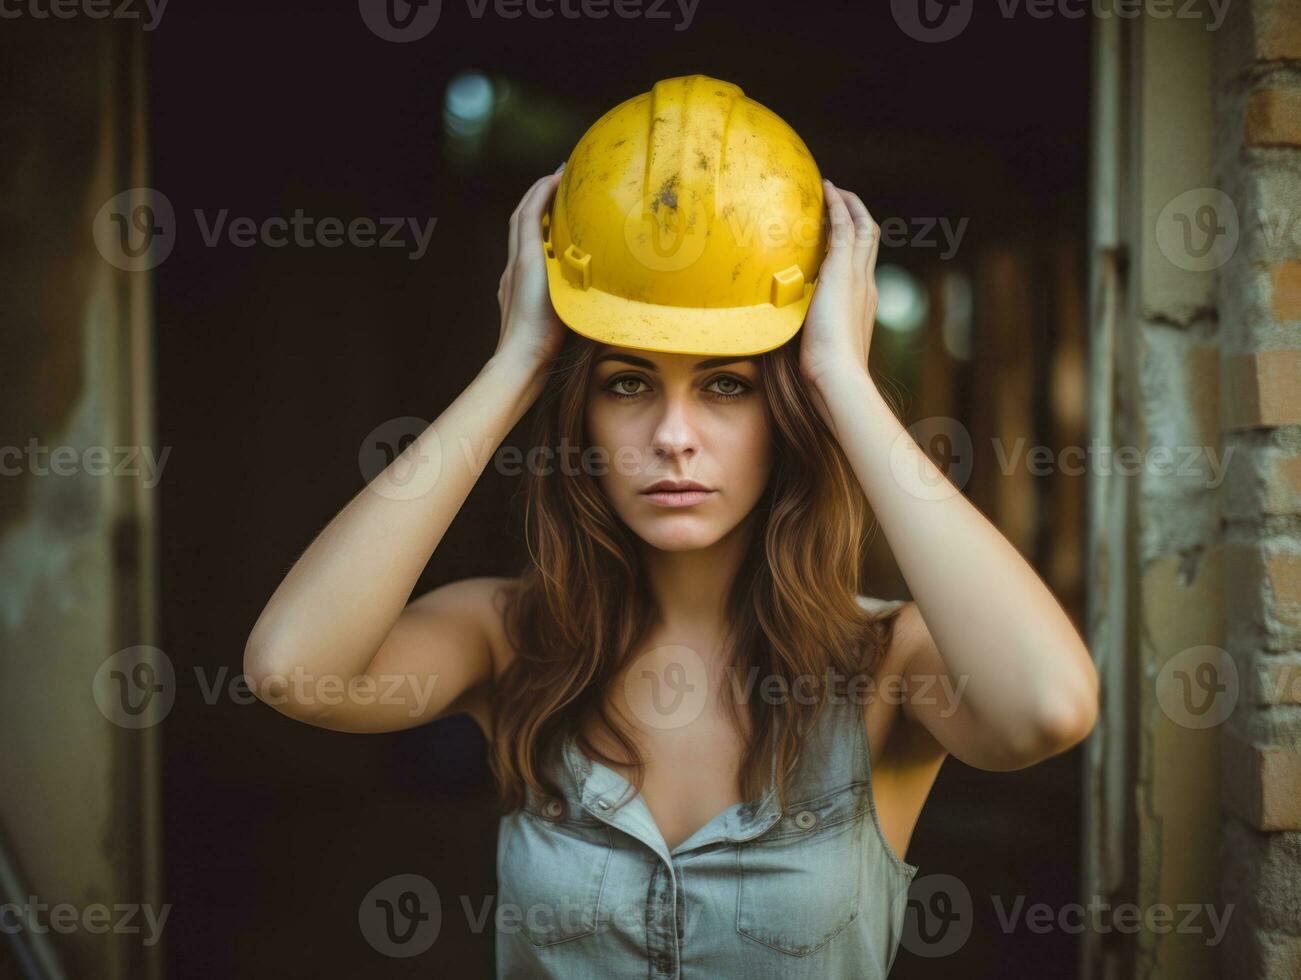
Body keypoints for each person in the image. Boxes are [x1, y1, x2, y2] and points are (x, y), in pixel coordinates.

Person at [243, 75, 1099, 979]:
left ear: (787, 413)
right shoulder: (510, 639)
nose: (673, 437)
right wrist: (519, 360)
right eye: (626, 383)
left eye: (727, 385)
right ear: (582, 417)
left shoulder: (886, 661)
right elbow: (292, 670)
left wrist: (842, 376)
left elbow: (1045, 709)